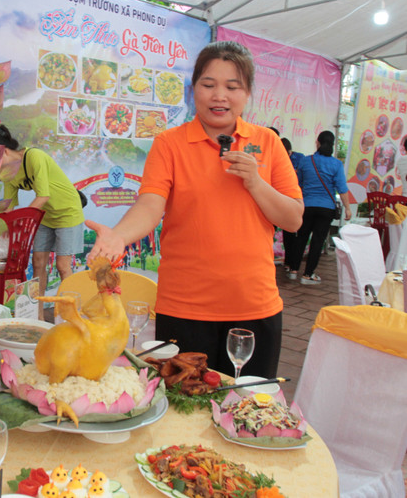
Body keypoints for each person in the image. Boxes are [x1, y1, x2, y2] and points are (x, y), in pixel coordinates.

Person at [86, 41, 303, 379]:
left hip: (254, 307)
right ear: (193, 90)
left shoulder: (268, 143)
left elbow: (292, 219)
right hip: (185, 308)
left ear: (247, 94)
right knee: (183, 412)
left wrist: (256, 182)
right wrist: (119, 236)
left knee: (246, 407)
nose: (220, 96)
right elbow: (150, 204)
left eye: (232, 87)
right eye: (208, 85)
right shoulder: (169, 143)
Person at [0, 125, 84, 313]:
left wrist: (21, 222)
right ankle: (37, 316)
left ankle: (72, 315)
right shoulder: (8, 174)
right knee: (38, 263)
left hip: (68, 211)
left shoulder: (34, 157)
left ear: (3, 152)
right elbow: (9, 205)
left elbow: (43, 195)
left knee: (63, 266)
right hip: (44, 215)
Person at [287, 131, 351, 284]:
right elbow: (342, 188)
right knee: (317, 241)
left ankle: (293, 270)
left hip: (307, 205)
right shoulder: (336, 164)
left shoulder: (305, 161)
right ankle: (308, 275)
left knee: (301, 237)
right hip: (326, 208)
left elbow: (298, 184)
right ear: (332, 144)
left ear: (317, 142)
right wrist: (347, 208)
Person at [280, 136, 300, 275]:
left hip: (289, 203)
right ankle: (291, 265)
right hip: (281, 203)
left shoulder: (299, 160)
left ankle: (290, 263)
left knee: (291, 233)